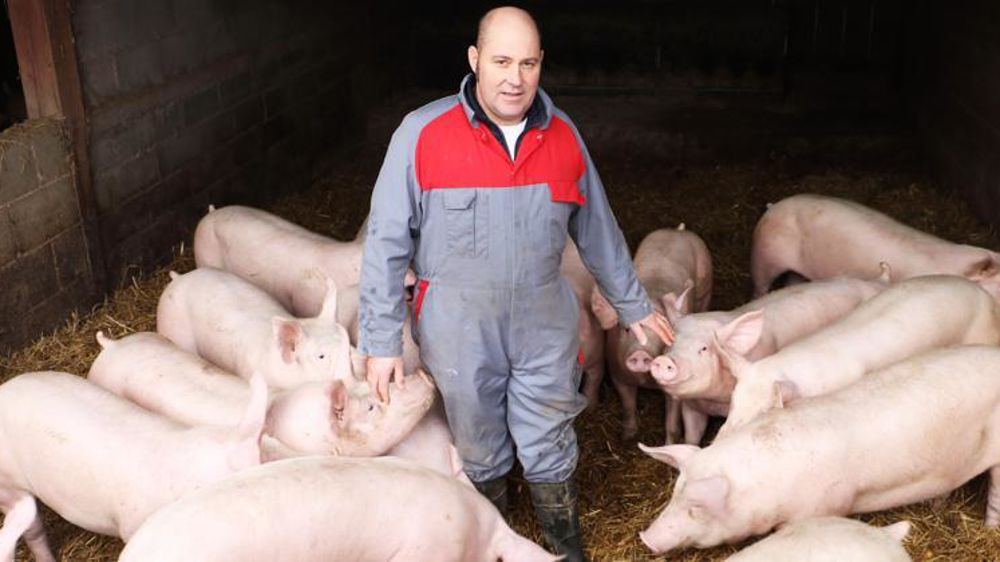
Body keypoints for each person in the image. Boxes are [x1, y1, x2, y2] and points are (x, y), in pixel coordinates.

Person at [357, 7, 673, 561]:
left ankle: (564, 544)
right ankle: (490, 537)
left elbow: (597, 226)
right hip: (457, 324)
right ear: (475, 60)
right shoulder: (421, 134)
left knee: (550, 431)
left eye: (528, 63)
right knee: (477, 439)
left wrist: (631, 301)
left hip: (542, 318)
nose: (515, 78)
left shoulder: (563, 135)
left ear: (541, 64)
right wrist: (381, 340)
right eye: (501, 61)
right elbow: (385, 242)